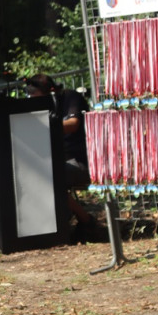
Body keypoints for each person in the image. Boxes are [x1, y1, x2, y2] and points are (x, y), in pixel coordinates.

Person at [24, 73, 96, 241]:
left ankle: (86, 221)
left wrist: (43, 126)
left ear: (51, 94)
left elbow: (73, 124)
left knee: (50, 178)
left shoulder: (71, 97)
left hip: (80, 161)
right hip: (56, 161)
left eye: (38, 98)